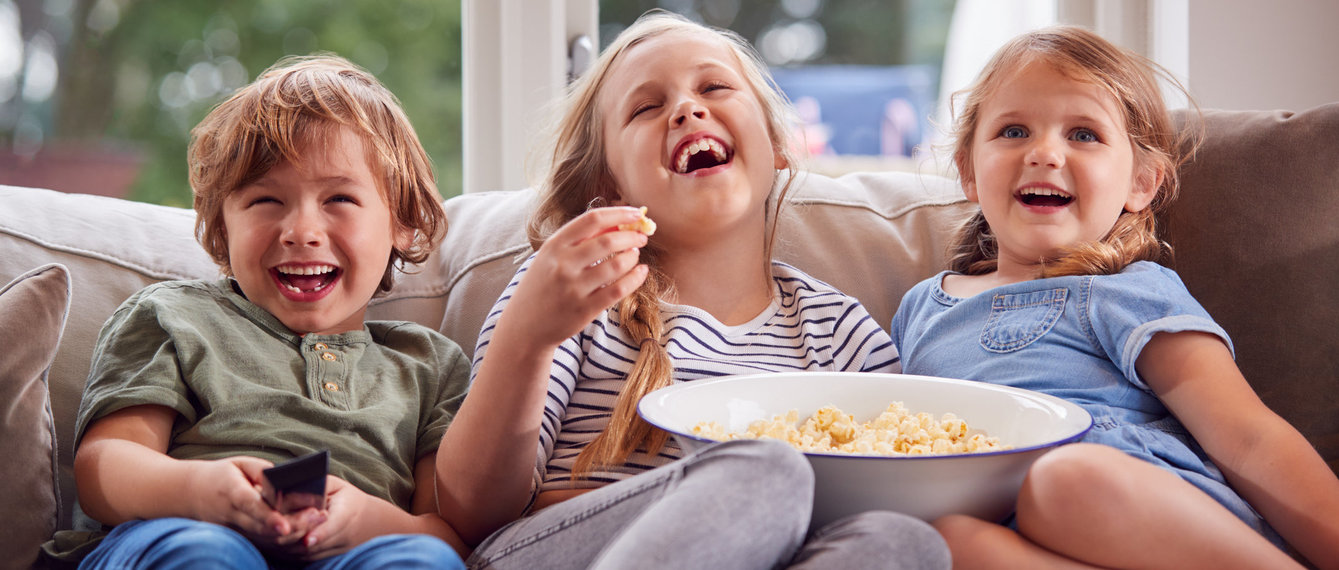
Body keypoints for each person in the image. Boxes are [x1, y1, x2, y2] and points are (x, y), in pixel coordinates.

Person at [435, 10, 949, 570]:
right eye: (646, 107)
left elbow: (888, 488)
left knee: (905, 540)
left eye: (714, 87)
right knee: (763, 472)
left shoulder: (840, 331)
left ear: (777, 144)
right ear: (609, 183)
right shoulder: (572, 295)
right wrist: (528, 338)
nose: (687, 108)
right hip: (561, 550)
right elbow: (471, 511)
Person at [889, 26, 1339, 568]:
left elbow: (1247, 438)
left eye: (1083, 134)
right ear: (967, 170)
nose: (1044, 153)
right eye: (1013, 131)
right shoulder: (920, 307)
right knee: (949, 542)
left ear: (1142, 183)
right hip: (1007, 522)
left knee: (1064, 479)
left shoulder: (1127, 291)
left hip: (1140, 509)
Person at [67, 54, 469, 569]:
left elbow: (448, 534)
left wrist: (366, 522)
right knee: (201, 553)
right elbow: (103, 469)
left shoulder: (429, 366)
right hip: (181, 534)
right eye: (266, 201)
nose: (301, 230)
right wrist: (200, 492)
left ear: (403, 224)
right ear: (220, 228)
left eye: (339, 198)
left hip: (351, 555)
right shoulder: (175, 316)